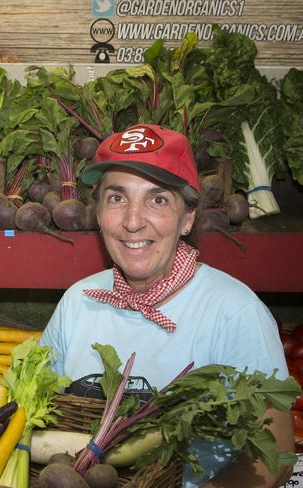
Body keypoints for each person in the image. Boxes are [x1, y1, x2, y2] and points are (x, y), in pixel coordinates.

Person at [39, 124, 294, 487]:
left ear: (187, 218)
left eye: (157, 199)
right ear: (98, 214)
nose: (132, 221)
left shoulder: (235, 311)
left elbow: (277, 454)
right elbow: (33, 414)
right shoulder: (78, 301)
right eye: (116, 198)